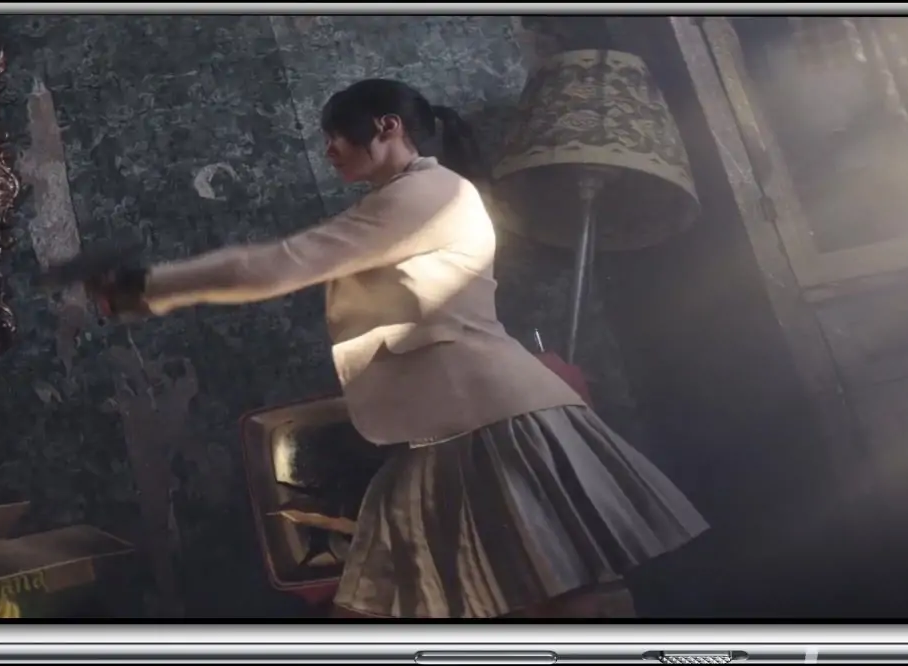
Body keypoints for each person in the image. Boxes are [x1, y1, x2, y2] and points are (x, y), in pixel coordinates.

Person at [65, 79, 709, 619]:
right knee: (430, 599)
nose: (328, 149)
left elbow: (282, 263)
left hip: (490, 418)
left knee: (568, 596)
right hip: (457, 425)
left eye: (336, 135)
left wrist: (147, 287)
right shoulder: (416, 196)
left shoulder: (427, 194)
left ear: (388, 126)